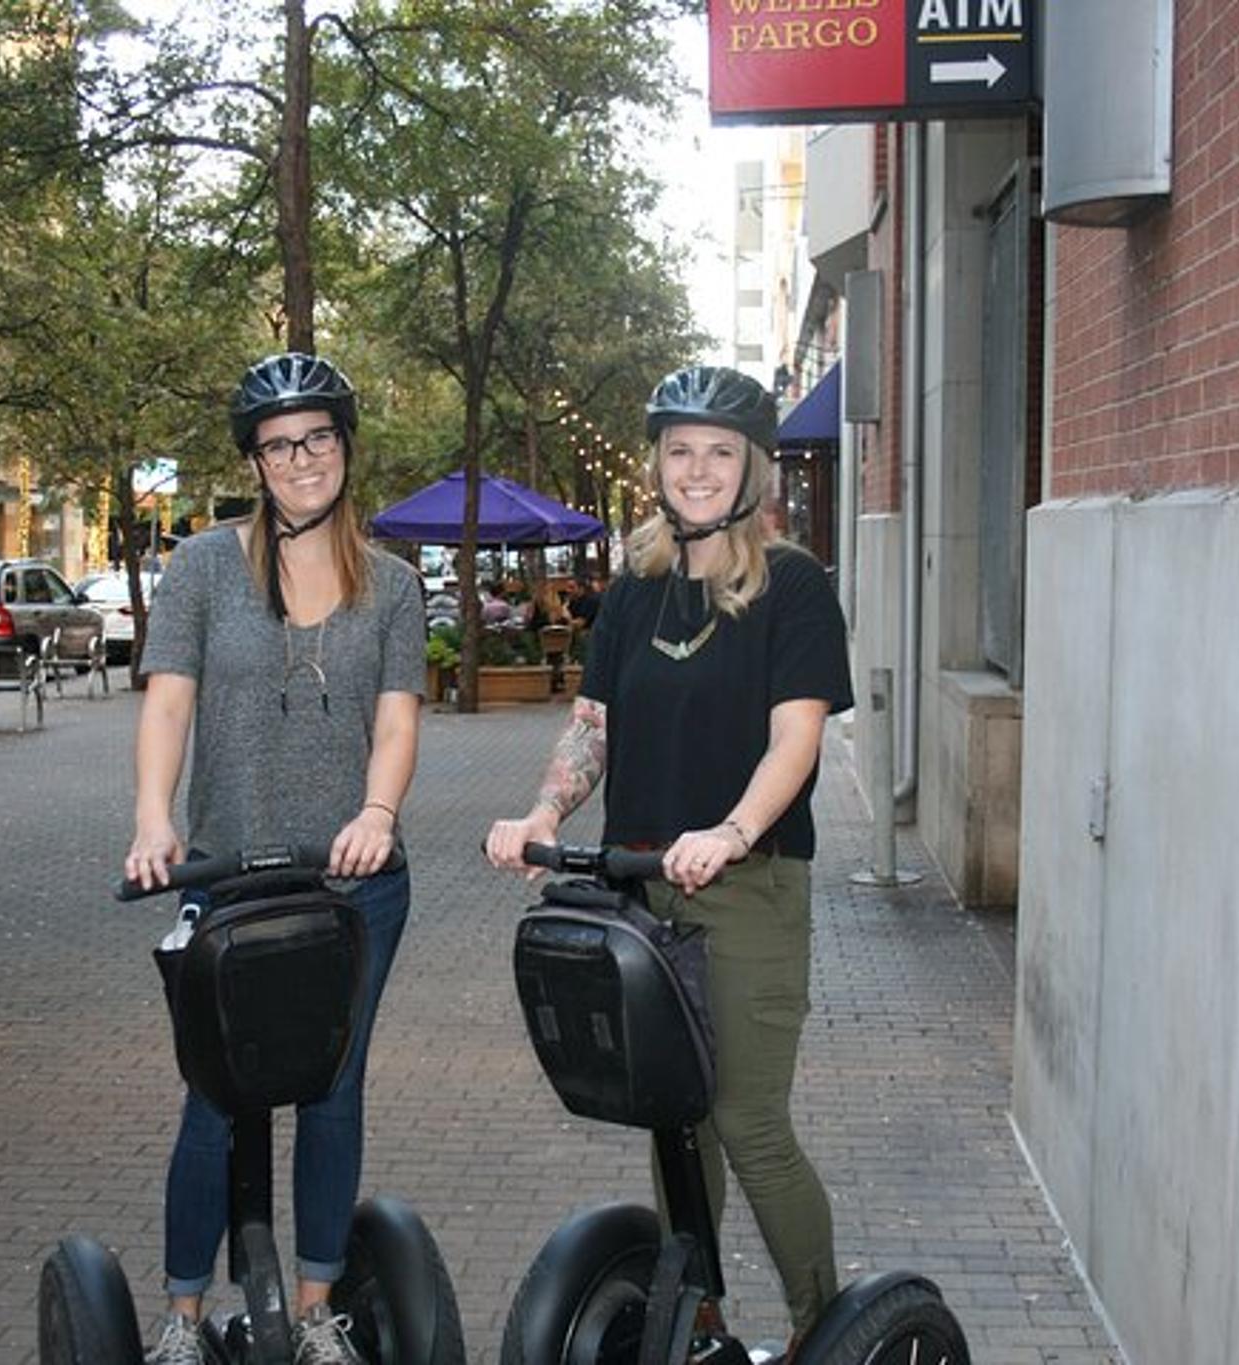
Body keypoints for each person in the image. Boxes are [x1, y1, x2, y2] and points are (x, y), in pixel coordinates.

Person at [484, 365, 854, 1351]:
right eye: (680, 450)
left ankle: (828, 1333)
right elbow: (591, 728)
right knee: (676, 1125)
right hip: (638, 892)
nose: (696, 469)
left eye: (718, 451)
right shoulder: (635, 592)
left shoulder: (794, 587)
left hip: (747, 892)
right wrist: (540, 812)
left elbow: (795, 739)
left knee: (746, 1124)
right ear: (656, 463)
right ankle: (699, 1330)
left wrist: (730, 833)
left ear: (753, 470)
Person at [123, 352, 425, 1365]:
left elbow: (395, 722)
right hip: (228, 878)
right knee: (214, 1097)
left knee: (331, 1091)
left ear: (343, 445)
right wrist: (152, 820)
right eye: (279, 444)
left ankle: (313, 1312)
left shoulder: (390, 584)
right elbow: (168, 700)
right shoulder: (205, 565)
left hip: (351, 888)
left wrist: (378, 812)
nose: (301, 460)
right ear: (254, 461)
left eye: (318, 438)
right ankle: (181, 1314)